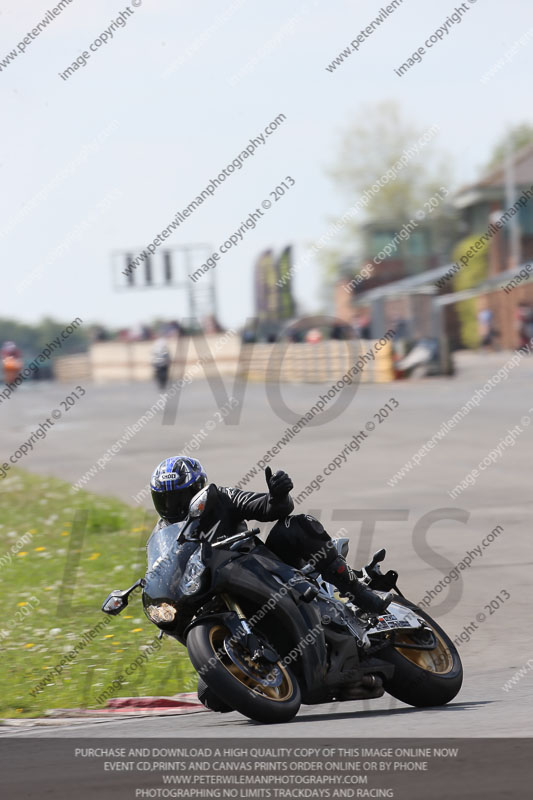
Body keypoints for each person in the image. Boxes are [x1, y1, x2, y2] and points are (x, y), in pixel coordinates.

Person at [149, 456, 392, 614]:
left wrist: (277, 496)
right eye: (166, 499)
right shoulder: (163, 535)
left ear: (198, 488)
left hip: (263, 567)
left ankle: (359, 593)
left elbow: (268, 508)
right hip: (214, 593)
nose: (175, 506)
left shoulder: (219, 498)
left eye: (181, 496)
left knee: (295, 525)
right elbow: (161, 573)